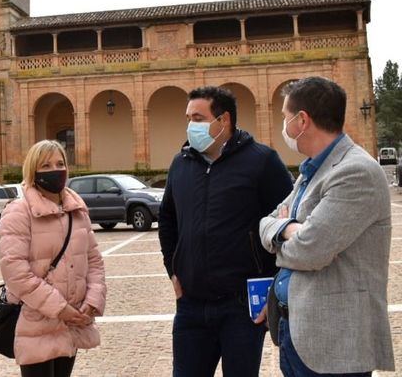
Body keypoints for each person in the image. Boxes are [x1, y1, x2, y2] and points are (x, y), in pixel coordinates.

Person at [259, 77, 394, 376]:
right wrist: (289, 228)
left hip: (334, 346)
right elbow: (266, 222)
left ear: (302, 120)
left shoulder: (354, 171)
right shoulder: (312, 169)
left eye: (284, 117)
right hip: (298, 333)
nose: (283, 125)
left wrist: (286, 229)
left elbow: (310, 251)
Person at [158, 86, 293, 377]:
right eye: (188, 118)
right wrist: (172, 268)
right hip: (191, 307)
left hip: (241, 308)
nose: (191, 126)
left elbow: (286, 223)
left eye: (198, 117)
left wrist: (274, 288)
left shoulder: (262, 161)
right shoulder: (180, 164)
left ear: (224, 120)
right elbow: (167, 219)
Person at [0, 140, 106, 377]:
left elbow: (94, 261)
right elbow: (15, 271)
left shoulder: (76, 209)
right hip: (35, 320)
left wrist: (92, 301)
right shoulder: (18, 211)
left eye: (60, 163)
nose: (55, 170)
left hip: (73, 319)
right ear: (33, 171)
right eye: (45, 165)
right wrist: (59, 308)